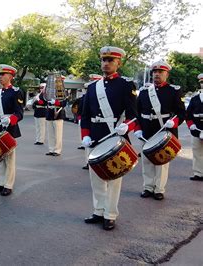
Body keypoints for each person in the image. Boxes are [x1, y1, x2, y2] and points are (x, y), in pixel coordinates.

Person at [80, 46, 138, 231]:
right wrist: (85, 135)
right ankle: (98, 211)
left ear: (118, 63)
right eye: (104, 60)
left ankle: (110, 214)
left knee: (114, 178)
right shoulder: (92, 87)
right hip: (95, 136)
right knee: (95, 177)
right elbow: (85, 114)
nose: (106, 63)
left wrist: (127, 126)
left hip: (115, 135)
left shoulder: (126, 85)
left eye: (110, 60)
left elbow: (134, 114)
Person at [134, 61, 185, 200]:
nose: (157, 74)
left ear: (166, 74)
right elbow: (136, 113)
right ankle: (148, 187)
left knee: (162, 162)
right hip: (146, 130)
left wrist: (173, 122)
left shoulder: (173, 91)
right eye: (155, 72)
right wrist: (137, 129)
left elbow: (181, 113)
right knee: (146, 160)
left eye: (160, 72)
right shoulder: (144, 91)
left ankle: (159, 189)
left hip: (164, 130)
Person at [0, 64, 23, 196]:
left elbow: (19, 113)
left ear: (10, 76)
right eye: (0, 75)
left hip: (10, 127)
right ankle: (0, 182)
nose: (0, 77)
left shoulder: (16, 92)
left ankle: (8, 185)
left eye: (3, 75)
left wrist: (11, 119)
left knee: (9, 158)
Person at [185, 73, 203, 181]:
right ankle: (198, 173)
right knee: (197, 152)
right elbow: (188, 114)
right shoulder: (195, 99)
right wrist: (191, 125)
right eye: (202, 82)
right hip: (196, 129)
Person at [45, 76, 67, 156]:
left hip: (58, 113)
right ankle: (51, 149)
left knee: (58, 134)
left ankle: (57, 150)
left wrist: (55, 102)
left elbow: (63, 104)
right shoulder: (50, 91)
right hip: (50, 112)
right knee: (50, 133)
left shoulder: (63, 91)